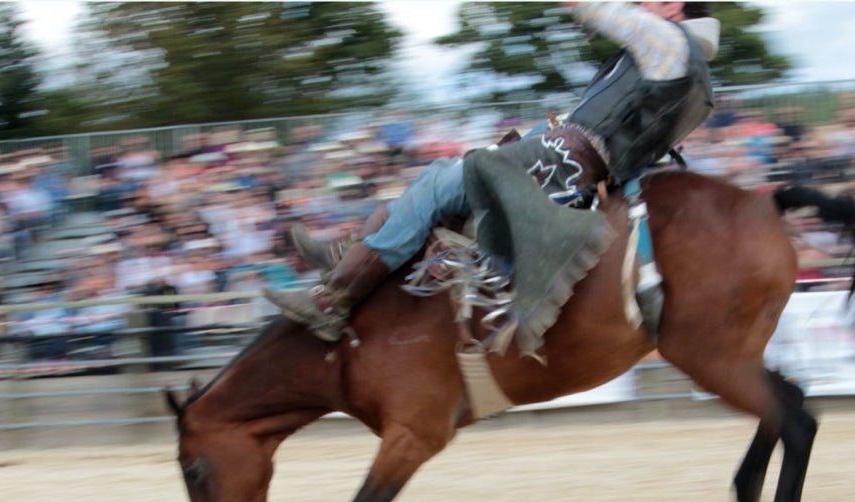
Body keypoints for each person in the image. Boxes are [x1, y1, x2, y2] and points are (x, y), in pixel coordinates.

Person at [264, 1, 720, 342]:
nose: (640, 3)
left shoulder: (666, 41)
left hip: (563, 161)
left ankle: (332, 300)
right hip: (578, 164)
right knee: (441, 173)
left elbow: (599, 9)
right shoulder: (693, 75)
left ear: (674, 5)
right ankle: (350, 253)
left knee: (439, 184)